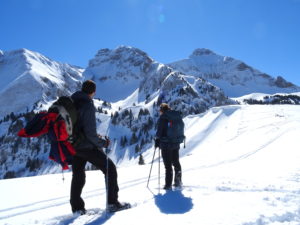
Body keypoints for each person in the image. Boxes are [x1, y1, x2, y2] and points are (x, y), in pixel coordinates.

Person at [70, 80, 129, 214]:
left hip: (74, 145)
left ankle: (77, 208)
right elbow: (89, 133)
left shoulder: (73, 101)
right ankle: (112, 203)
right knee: (110, 169)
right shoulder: (87, 105)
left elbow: (80, 127)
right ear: (93, 92)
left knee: (78, 175)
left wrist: (95, 136)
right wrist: (102, 143)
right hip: (86, 147)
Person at [155, 103, 183, 190]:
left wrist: (157, 140)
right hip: (176, 143)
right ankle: (178, 182)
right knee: (176, 163)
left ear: (162, 110)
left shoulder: (163, 118)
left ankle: (168, 185)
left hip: (166, 145)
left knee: (168, 165)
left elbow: (159, 132)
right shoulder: (176, 116)